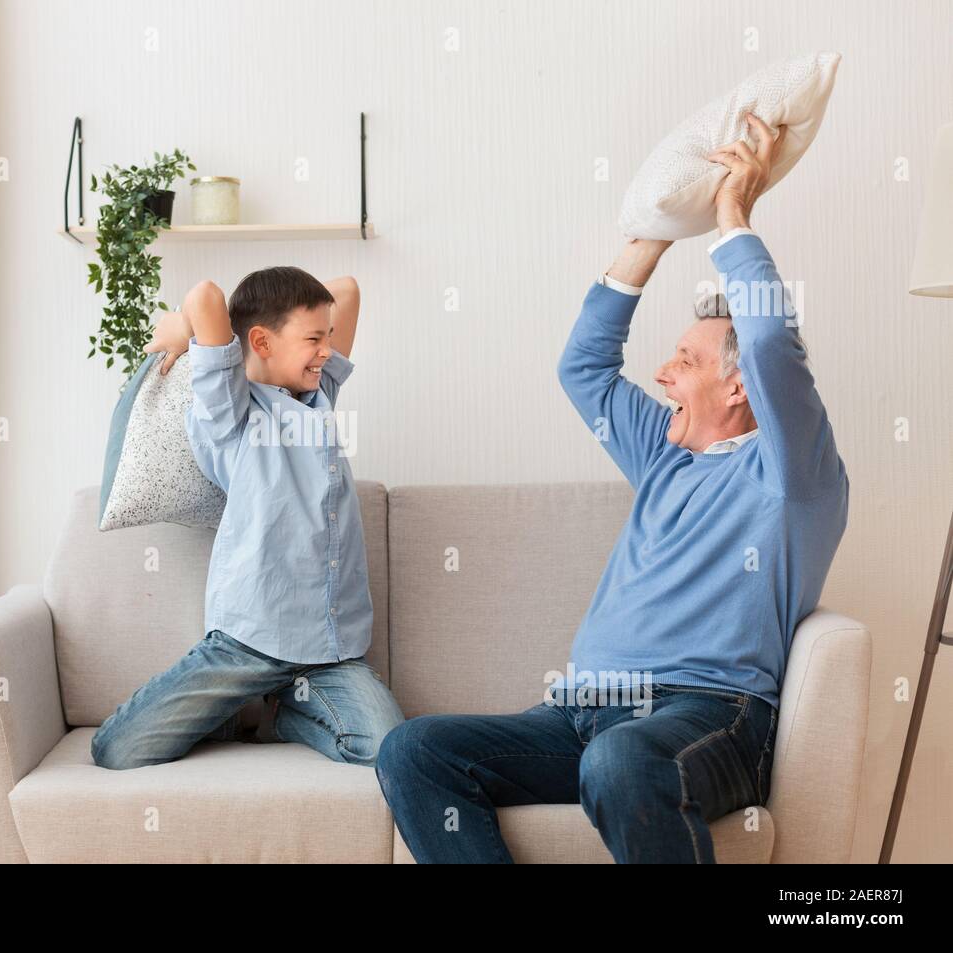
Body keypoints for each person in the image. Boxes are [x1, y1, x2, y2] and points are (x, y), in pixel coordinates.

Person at [376, 114, 849, 862]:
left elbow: (766, 342)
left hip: (707, 715)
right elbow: (584, 368)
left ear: (741, 388)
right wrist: (654, 233)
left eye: (685, 362)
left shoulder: (794, 474)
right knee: (412, 748)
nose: (662, 374)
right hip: (579, 713)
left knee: (622, 760)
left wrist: (732, 217)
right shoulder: (663, 457)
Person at [90, 267, 405, 770]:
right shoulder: (229, 412)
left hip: (329, 651)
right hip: (247, 644)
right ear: (260, 340)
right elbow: (206, 296)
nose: (327, 350)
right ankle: (244, 705)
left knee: (388, 747)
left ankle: (283, 716)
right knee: (116, 750)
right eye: (313, 339)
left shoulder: (319, 399)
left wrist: (305, 329)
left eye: (328, 338)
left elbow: (347, 289)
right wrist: (185, 329)